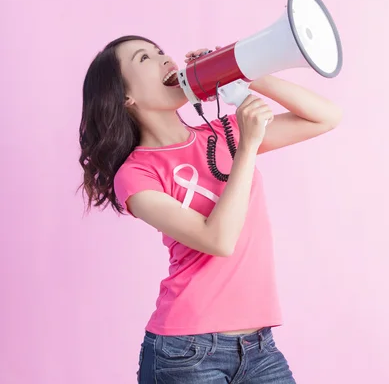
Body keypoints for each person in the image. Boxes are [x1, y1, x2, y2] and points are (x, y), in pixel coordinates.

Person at [78, 35, 342, 383]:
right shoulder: (135, 174)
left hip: (259, 347)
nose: (164, 59)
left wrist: (242, 72)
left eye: (160, 51)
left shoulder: (222, 133)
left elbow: (326, 117)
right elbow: (217, 239)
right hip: (186, 354)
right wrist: (247, 149)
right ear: (126, 97)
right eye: (145, 59)